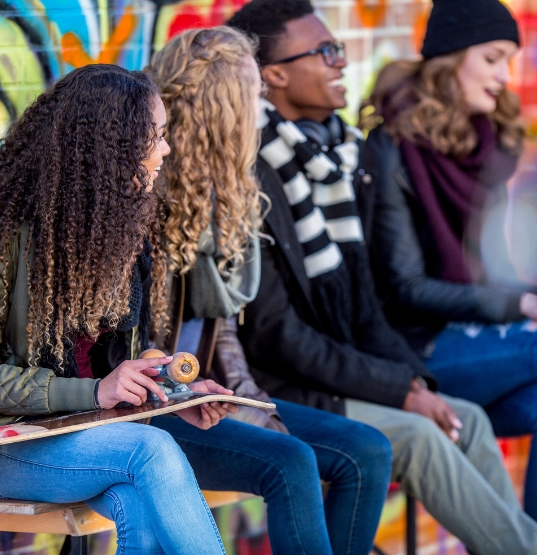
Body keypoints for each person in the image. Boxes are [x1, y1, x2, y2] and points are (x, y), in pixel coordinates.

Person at [228, 1, 537, 553]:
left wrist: (408, 383)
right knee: (422, 433)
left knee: (467, 420)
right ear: (273, 74)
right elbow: (277, 334)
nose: (341, 63)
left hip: (354, 366)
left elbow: (364, 305)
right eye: (326, 52)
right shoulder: (254, 175)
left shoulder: (337, 157)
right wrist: (400, 387)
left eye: (340, 50)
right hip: (287, 388)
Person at [146, 26, 392, 555]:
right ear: (224, 108)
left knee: (365, 451)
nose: (262, 109)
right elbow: (140, 339)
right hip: (162, 403)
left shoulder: (230, 190)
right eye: (253, 95)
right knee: (293, 461)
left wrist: (254, 404)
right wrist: (237, 407)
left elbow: (221, 330)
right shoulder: (153, 195)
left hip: (213, 392)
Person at [0, 64, 235, 555]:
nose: (165, 150)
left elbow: (110, 370)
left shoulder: (113, 232)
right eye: (154, 136)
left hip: (72, 434)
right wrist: (94, 390)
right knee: (151, 450)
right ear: (106, 149)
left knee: (136, 505)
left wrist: (169, 387)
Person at [358, 0, 537, 521]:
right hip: (415, 350)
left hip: (473, 336)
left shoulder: (488, 143)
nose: (506, 76)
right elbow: (407, 287)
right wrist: (518, 304)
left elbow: (494, 267)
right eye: (493, 58)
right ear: (450, 58)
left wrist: (520, 295)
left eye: (510, 60)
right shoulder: (391, 148)